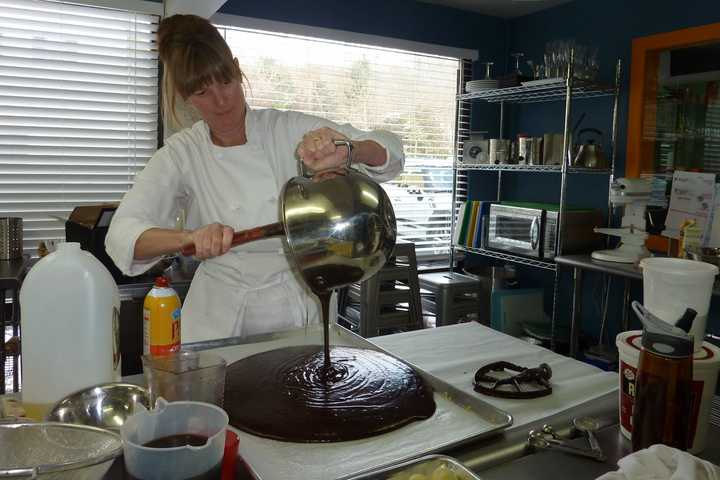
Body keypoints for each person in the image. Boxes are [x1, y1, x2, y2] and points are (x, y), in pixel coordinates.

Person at [105, 14, 404, 343]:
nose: (221, 101)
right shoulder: (182, 153)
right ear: (184, 96)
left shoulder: (286, 129)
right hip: (219, 315)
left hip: (297, 306)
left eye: (226, 81)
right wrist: (188, 238)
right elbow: (122, 234)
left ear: (236, 68)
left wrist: (350, 150)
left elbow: (389, 152)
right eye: (203, 92)